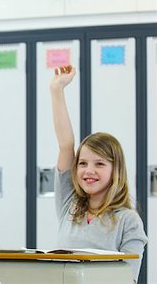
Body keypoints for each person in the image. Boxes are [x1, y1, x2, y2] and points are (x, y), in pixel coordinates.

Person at [50, 65, 147, 283]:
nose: (89, 170)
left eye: (100, 164)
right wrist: (57, 90)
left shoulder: (128, 221)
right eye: (82, 163)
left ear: (116, 170)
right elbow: (66, 145)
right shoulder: (69, 205)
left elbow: (127, 278)